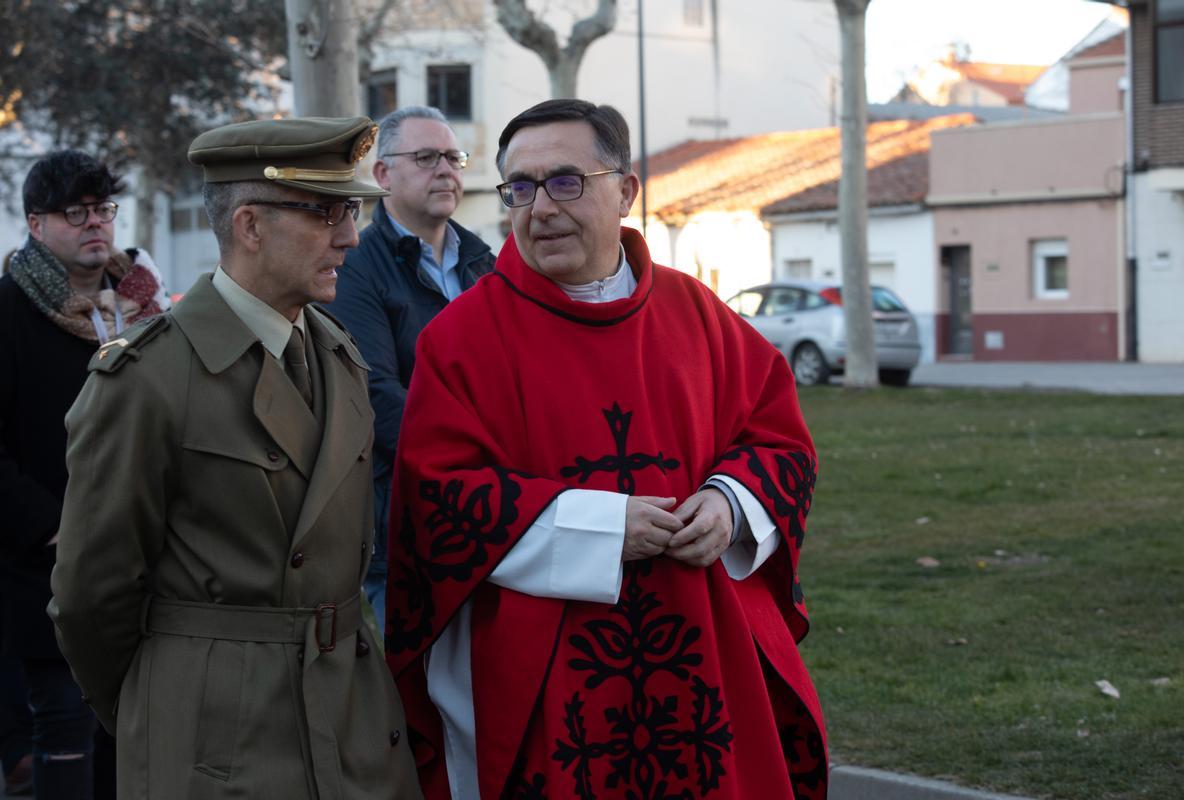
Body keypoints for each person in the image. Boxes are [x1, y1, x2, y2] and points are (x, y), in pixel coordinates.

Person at [385, 99, 829, 800]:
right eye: (520, 188)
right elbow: (439, 495)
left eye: (566, 181)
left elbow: (776, 438)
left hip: (702, 644)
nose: (540, 208)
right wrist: (594, 526)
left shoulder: (701, 316)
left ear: (624, 191)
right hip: (549, 669)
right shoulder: (461, 339)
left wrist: (731, 503)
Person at [48, 117, 421, 799]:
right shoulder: (148, 378)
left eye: (353, 210)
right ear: (250, 226)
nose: (350, 235)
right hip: (217, 740)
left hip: (351, 723)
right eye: (326, 212)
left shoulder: (338, 352)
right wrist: (167, 703)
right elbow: (89, 598)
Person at [0, 149, 166, 798]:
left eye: (103, 210)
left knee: (133, 737)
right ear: (36, 225)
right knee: (66, 738)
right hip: (46, 571)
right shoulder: (1, 313)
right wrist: (57, 530)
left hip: (142, 566)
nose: (96, 224)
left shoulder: (146, 310)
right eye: (75, 213)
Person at [325, 105, 494, 628]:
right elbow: (375, 391)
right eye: (425, 158)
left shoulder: (483, 261)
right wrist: (479, 452)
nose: (446, 170)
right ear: (382, 175)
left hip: (490, 510)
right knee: (412, 689)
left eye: (453, 157)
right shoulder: (355, 266)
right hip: (402, 517)